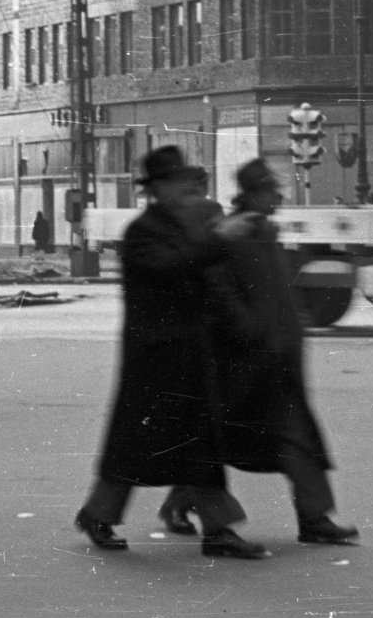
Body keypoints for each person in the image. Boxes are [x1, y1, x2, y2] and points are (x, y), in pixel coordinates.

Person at [74, 145, 263, 560]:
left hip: (185, 351)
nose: (187, 188)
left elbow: (201, 271)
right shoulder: (143, 231)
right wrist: (219, 239)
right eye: (179, 182)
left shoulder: (177, 224)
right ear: (158, 188)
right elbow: (170, 269)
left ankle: (217, 529)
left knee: (198, 445)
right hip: (155, 356)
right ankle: (98, 513)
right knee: (138, 446)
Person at [176, 158, 359, 546]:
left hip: (273, 358)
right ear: (254, 194)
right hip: (249, 360)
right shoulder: (234, 233)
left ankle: (314, 516)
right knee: (241, 437)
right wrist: (251, 330)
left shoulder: (259, 229)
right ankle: (189, 502)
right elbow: (221, 290)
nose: (278, 195)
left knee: (289, 438)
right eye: (271, 189)